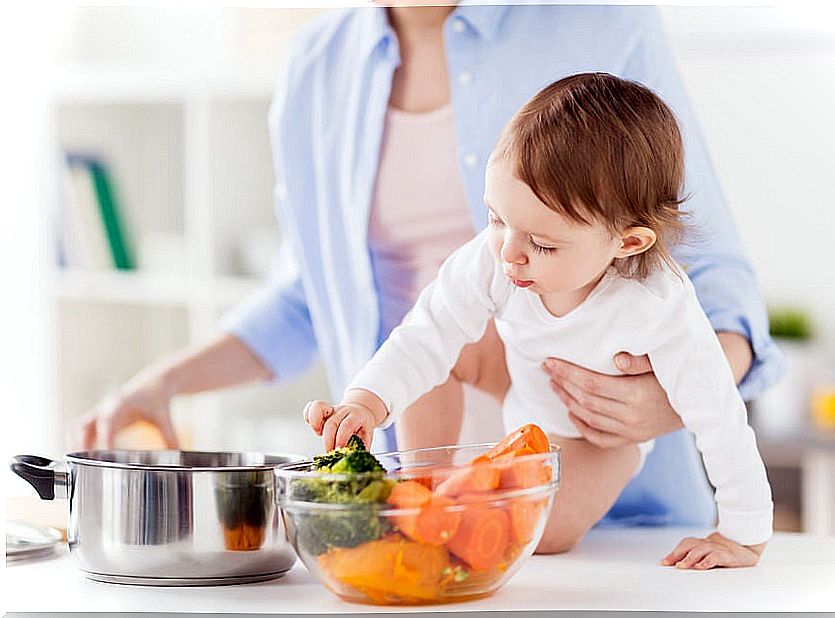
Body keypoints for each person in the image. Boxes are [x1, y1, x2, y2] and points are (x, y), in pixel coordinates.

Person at [74, 4, 783, 533]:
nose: (509, 250)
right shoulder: (316, 63)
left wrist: (676, 395)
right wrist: (160, 385)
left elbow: (708, 270)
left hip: (606, 487)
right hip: (413, 477)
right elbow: (309, 294)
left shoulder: (597, 20)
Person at [306, 72, 773, 568]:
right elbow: (425, 334)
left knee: (541, 535)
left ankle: (468, 507)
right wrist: (366, 401)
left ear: (627, 243)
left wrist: (741, 535)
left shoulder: (656, 304)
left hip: (591, 434)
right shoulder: (500, 255)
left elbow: (719, 414)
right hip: (523, 379)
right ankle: (424, 492)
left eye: (543, 244)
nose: (509, 252)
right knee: (440, 343)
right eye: (496, 218)